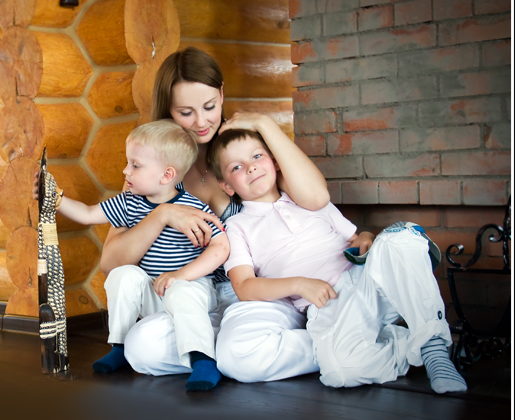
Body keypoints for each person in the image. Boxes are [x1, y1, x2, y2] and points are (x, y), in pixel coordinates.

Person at [100, 46, 331, 377]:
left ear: (222, 94)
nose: (201, 122)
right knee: (141, 349)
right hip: (190, 297)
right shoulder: (152, 168)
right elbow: (111, 263)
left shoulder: (243, 149)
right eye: (186, 112)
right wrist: (161, 215)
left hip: (253, 293)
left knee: (232, 348)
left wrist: (265, 124)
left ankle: (325, 344)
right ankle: (228, 354)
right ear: (167, 110)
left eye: (209, 107)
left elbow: (317, 197)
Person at [208, 128, 467, 394]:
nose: (251, 168)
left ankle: (434, 348)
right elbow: (244, 286)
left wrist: (366, 237)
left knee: (396, 241)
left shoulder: (308, 200)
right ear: (227, 186)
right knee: (342, 370)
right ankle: (410, 344)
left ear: (275, 162)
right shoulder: (237, 226)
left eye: (257, 156)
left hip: (366, 280)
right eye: (237, 167)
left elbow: (355, 239)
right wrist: (299, 284)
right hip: (327, 306)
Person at [46, 119, 231, 391]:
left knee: (182, 290)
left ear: (166, 175)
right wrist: (56, 199)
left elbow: (221, 247)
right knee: (123, 274)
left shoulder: (192, 208)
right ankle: (119, 347)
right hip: (155, 291)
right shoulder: (128, 203)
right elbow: (87, 214)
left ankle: (203, 359)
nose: (125, 171)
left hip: (191, 289)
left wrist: (180, 275)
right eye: (128, 162)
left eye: (135, 165)